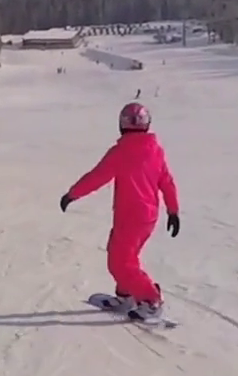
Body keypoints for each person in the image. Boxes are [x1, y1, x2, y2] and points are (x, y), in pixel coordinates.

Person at [60, 102, 180, 320]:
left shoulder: (121, 152)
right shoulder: (155, 150)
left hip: (130, 217)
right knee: (126, 257)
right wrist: (173, 210)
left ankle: (151, 299)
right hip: (147, 217)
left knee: (119, 262)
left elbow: (97, 176)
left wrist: (72, 194)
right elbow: (167, 181)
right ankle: (126, 295)